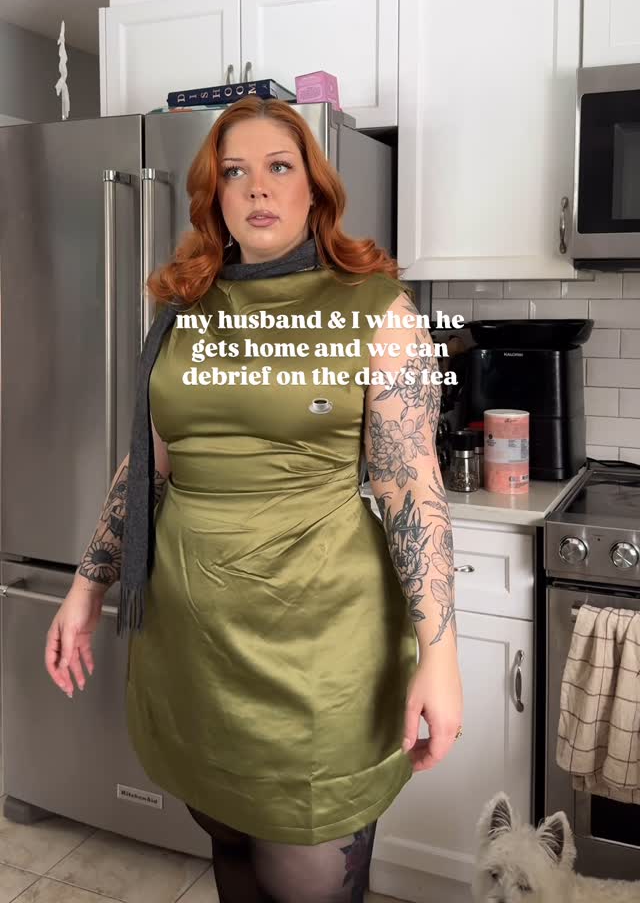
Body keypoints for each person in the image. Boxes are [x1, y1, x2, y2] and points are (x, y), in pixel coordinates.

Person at [45, 97, 463, 903]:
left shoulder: (376, 309)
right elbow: (150, 464)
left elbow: (412, 486)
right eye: (234, 172)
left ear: (315, 189)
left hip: (319, 654)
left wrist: (439, 658)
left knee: (309, 877)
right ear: (215, 196)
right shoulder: (183, 310)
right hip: (193, 649)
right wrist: (86, 586)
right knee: (231, 856)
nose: (257, 187)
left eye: (279, 166)